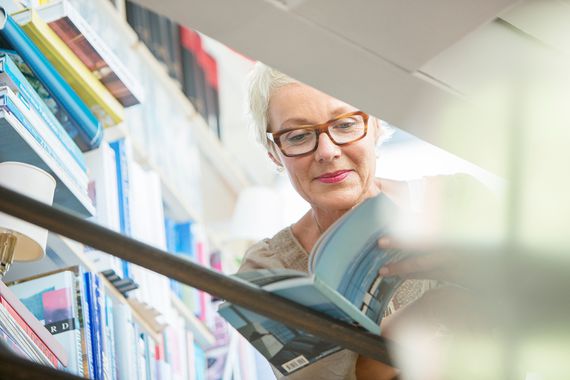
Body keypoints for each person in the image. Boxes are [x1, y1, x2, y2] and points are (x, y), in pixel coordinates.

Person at [237, 63, 445, 380]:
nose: (327, 151)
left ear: (375, 124)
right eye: (298, 136)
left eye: (345, 125)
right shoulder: (269, 269)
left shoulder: (448, 204)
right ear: (273, 153)